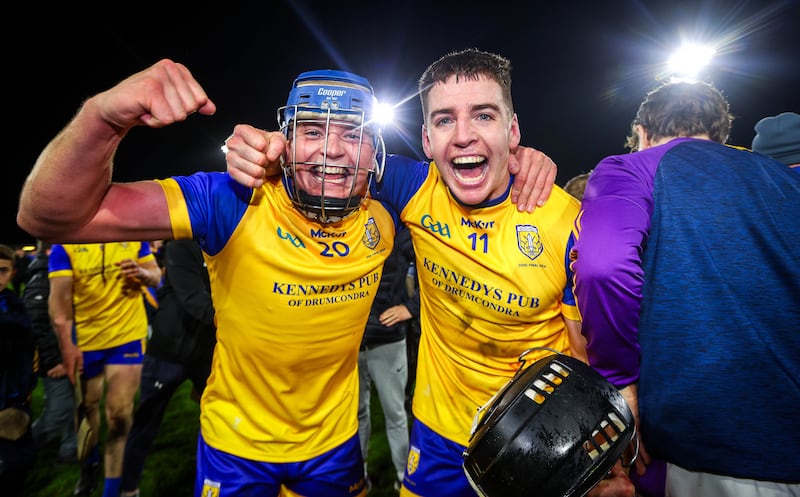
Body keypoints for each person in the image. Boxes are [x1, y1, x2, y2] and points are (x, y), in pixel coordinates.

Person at [17, 58, 555, 497]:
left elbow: (477, 170)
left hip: (335, 447)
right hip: (235, 448)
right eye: (313, 131)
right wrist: (103, 118)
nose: (332, 149)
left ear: (375, 151)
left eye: (352, 134)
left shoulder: (390, 206)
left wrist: (521, 158)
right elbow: (48, 217)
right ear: (284, 139)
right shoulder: (229, 201)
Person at [225, 48, 633, 497]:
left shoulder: (565, 223)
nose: (463, 136)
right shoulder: (413, 187)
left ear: (513, 129)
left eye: (483, 116)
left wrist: (602, 457)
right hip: (437, 432)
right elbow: (329, 164)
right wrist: (268, 149)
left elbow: (588, 355)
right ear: (426, 138)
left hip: (536, 439)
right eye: (444, 120)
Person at [571, 80, 800, 497]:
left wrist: (620, 382)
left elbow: (603, 267)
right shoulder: (781, 178)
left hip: (706, 454)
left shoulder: (633, 168)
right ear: (722, 135)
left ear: (642, 133)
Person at [48, 241, 162, 497]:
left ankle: (113, 490)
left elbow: (156, 276)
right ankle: (89, 466)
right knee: (87, 411)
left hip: (127, 336)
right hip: (85, 341)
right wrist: (67, 346)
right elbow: (59, 301)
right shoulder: (65, 245)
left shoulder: (133, 237)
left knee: (119, 415)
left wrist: (143, 274)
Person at [121, 239, 216, 497]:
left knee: (220, 419)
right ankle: (128, 487)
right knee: (146, 421)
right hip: (169, 349)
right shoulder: (181, 244)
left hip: (208, 349)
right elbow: (193, 298)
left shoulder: (226, 241)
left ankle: (215, 481)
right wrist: (239, 320)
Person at [358, 227, 418, 493]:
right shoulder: (341, 222)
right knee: (356, 414)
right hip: (350, 341)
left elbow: (437, 266)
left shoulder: (401, 224)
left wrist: (411, 308)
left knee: (395, 414)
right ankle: (358, 477)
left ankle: (403, 478)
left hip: (387, 338)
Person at [24, 240, 78, 464]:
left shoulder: (56, 269)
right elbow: (36, 323)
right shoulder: (43, 276)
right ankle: (18, 447)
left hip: (70, 353)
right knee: (60, 410)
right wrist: (54, 360)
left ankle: (69, 450)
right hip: (56, 359)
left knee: (75, 403)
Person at [0, 243, 37, 497]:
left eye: (3, 271)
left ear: (13, 272)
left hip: (14, 396)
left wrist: (26, 389)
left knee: (19, 460)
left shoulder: (16, 305)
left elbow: (28, 351)